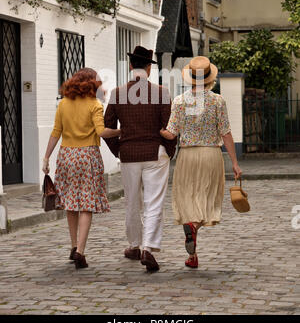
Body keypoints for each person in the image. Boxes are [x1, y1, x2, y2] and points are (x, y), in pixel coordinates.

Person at [160, 56, 242, 269]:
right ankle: (194, 229)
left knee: (188, 200)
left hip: (187, 156)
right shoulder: (217, 101)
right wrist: (234, 162)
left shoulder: (179, 101)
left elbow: (171, 134)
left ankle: (192, 253)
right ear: (209, 78)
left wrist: (157, 131)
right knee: (207, 198)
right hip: (210, 155)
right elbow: (226, 133)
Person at [104, 46, 177, 272]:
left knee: (132, 201)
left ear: (130, 66)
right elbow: (170, 126)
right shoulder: (161, 92)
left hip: (129, 154)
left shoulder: (117, 93)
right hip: (155, 152)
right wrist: (169, 149)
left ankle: (134, 245)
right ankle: (148, 247)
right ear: (148, 68)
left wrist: (119, 148)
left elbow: (107, 128)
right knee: (154, 202)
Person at [42, 68, 120, 269]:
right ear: (91, 84)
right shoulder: (95, 105)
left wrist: (46, 156)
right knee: (86, 204)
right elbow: (102, 132)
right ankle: (80, 252)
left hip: (66, 156)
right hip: (87, 156)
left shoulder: (63, 104)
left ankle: (73, 244)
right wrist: (122, 130)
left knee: (70, 202)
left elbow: (56, 132)